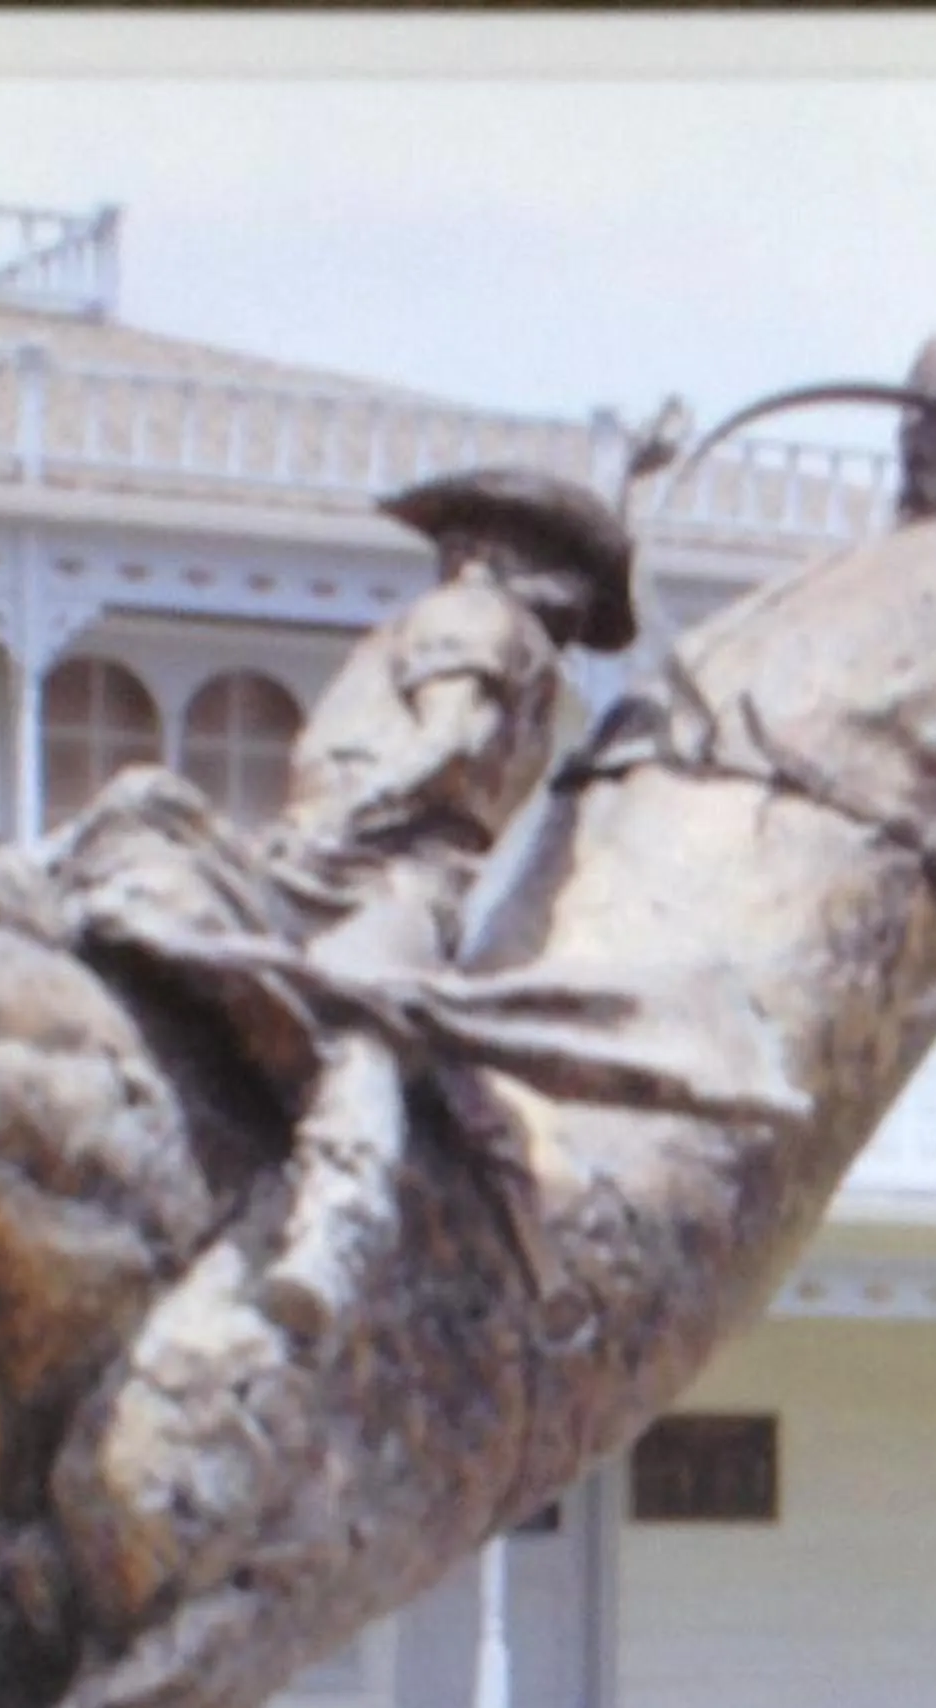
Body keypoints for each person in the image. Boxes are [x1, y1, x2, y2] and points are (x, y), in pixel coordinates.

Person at [250, 465, 638, 1340]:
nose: (451, 558)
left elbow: (447, 741)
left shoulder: (475, 618)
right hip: (352, 857)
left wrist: (340, 823)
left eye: (464, 538)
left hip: (377, 870)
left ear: (493, 552)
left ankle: (334, 1230)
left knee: (365, 1019)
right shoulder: (519, 649)